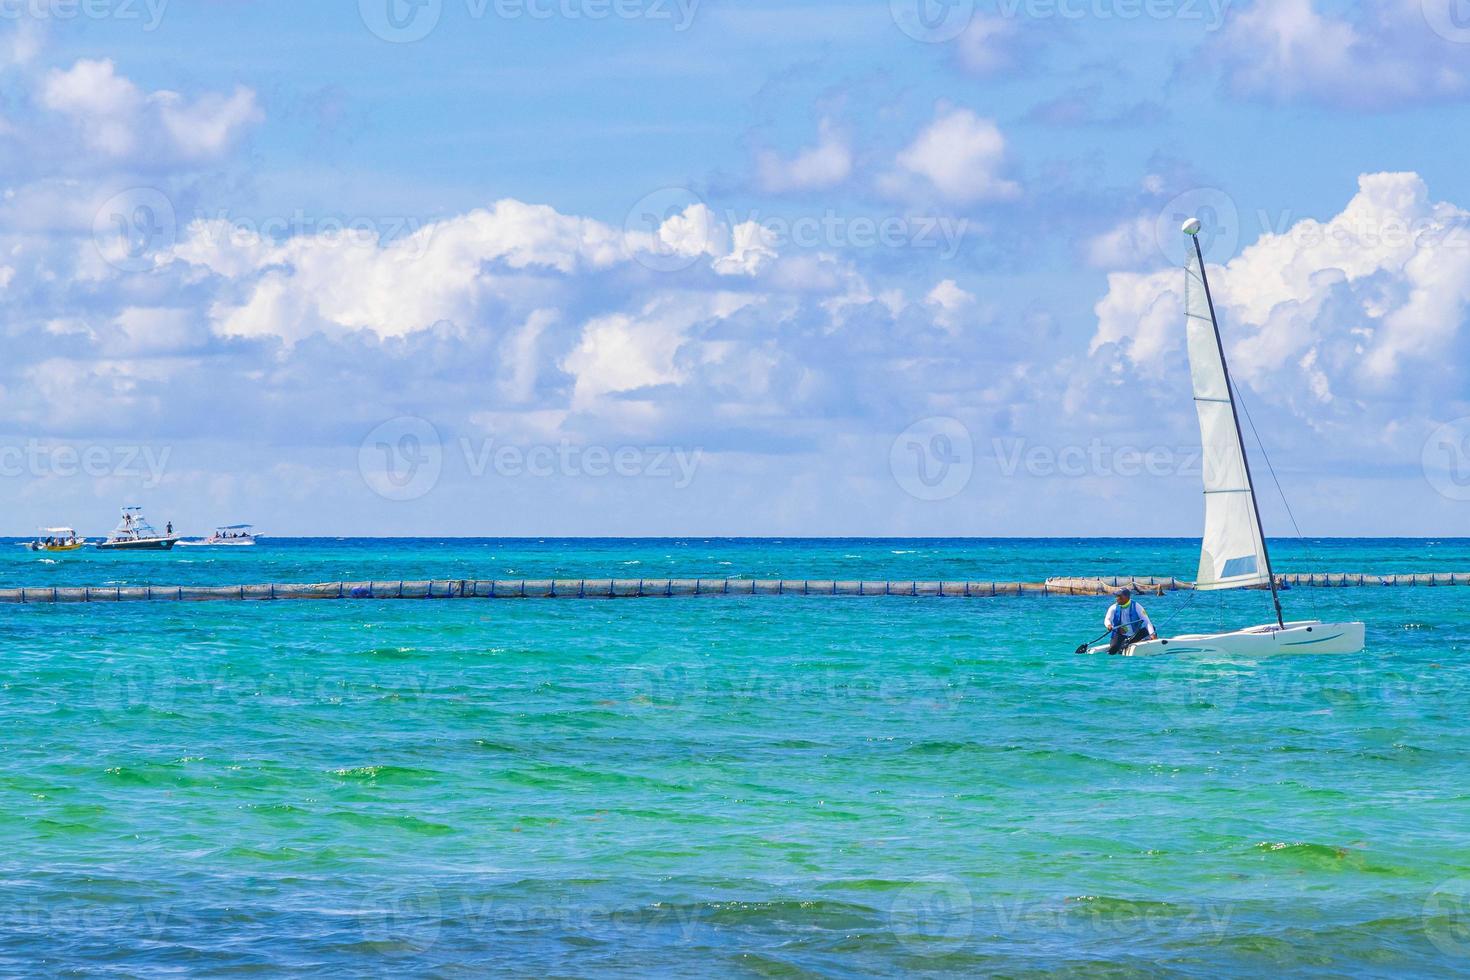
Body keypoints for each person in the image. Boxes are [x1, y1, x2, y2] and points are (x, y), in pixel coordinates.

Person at [1104, 588, 1155, 655]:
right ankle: (1123, 644)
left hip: (1134, 634)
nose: (1117, 598)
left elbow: (1147, 621)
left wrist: (1152, 635)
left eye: (1119, 596)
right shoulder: (1113, 607)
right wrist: (1109, 625)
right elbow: (1107, 619)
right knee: (1113, 649)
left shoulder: (1137, 606)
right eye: (1116, 596)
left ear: (1126, 597)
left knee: (1152, 628)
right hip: (1120, 634)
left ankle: (1146, 640)